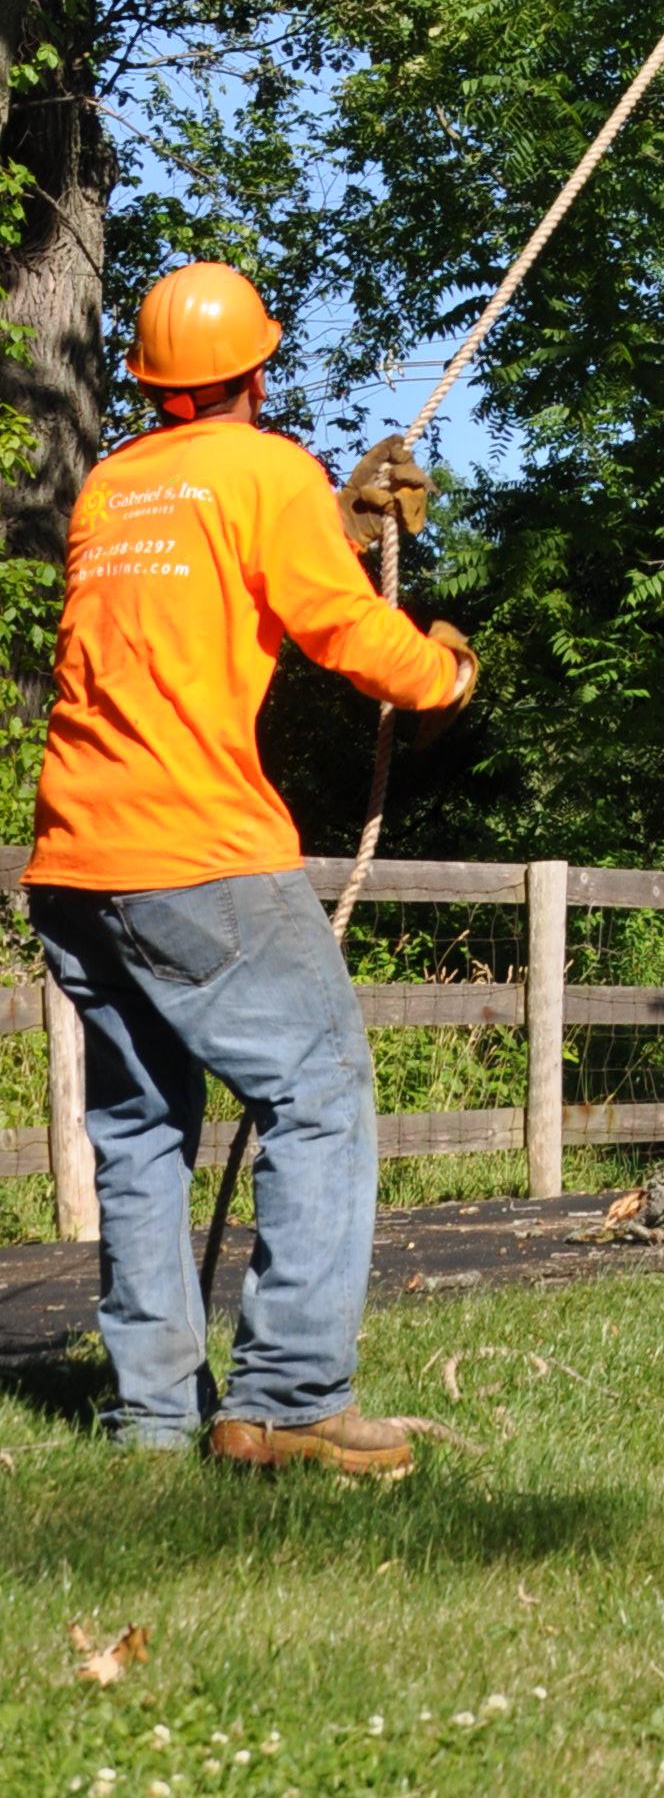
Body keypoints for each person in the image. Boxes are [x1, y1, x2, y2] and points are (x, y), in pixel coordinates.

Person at [25, 262, 477, 1477]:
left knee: (138, 1130)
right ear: (258, 370)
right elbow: (343, 628)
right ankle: (286, 1397)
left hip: (75, 857)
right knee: (321, 1091)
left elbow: (215, 567)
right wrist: (443, 676)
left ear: (150, 383)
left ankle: (154, 1417)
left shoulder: (114, 488)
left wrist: (338, 516)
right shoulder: (264, 468)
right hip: (200, 852)